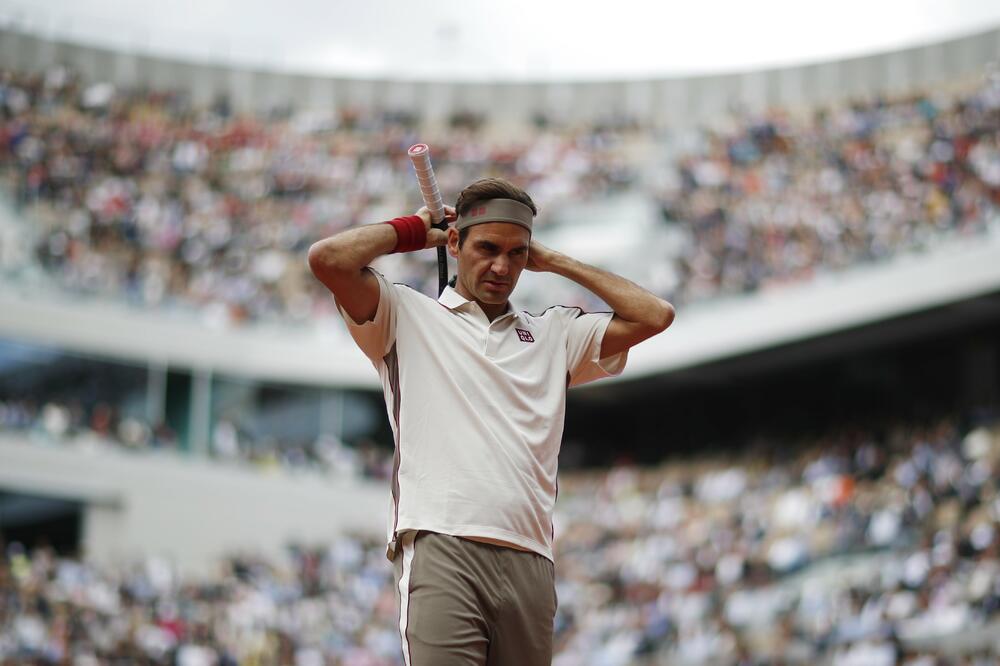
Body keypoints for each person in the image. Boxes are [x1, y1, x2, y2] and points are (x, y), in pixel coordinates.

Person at [307, 177, 674, 665]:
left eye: (516, 253)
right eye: (486, 248)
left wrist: (555, 260)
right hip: (442, 544)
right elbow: (328, 259)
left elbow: (655, 315)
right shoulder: (403, 314)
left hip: (530, 555)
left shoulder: (555, 333)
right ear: (455, 243)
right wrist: (414, 229)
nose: (502, 266)